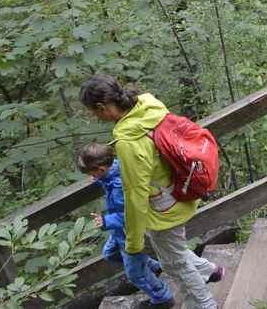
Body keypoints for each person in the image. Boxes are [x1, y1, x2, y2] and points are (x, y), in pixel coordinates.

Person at [79, 74, 223, 309]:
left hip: (164, 209)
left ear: (101, 107)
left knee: (175, 265)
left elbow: (135, 197)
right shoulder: (148, 107)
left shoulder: (129, 141)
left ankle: (205, 305)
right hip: (181, 191)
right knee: (173, 255)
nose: (96, 117)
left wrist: (133, 243)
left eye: (94, 113)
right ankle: (210, 273)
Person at [78, 143, 171, 306]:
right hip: (119, 233)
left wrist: (105, 221)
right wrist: (99, 179)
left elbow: (130, 215)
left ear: (101, 170)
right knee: (109, 253)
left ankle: (162, 297)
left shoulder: (119, 187)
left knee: (136, 275)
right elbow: (108, 181)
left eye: (92, 173)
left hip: (129, 235)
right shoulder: (115, 168)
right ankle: (152, 265)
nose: (91, 176)